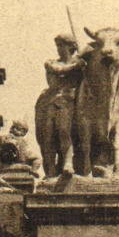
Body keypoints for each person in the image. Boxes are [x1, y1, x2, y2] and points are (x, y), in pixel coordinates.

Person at [34, 33, 84, 176]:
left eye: (62, 45)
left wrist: (83, 62)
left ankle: (68, 163)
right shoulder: (51, 63)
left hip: (69, 102)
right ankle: (50, 170)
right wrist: (77, 66)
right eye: (58, 46)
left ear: (71, 47)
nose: (59, 49)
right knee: (48, 135)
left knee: (64, 130)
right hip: (51, 101)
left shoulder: (79, 64)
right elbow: (59, 70)